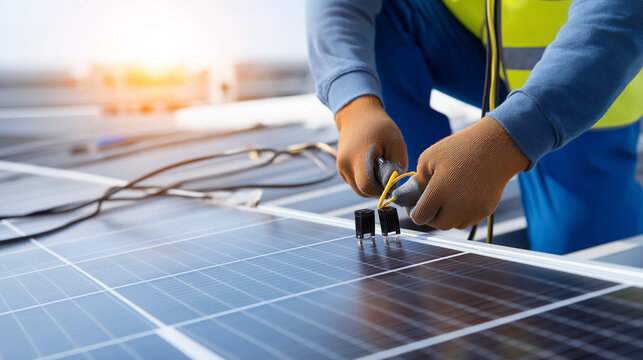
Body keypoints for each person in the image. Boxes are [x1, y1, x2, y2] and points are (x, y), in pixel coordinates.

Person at [306, 0, 643, 254]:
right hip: (485, 56)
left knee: (580, 274)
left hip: (593, 79)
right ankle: (427, 187)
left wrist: (510, 139)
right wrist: (353, 103)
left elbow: (621, 13)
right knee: (389, 14)